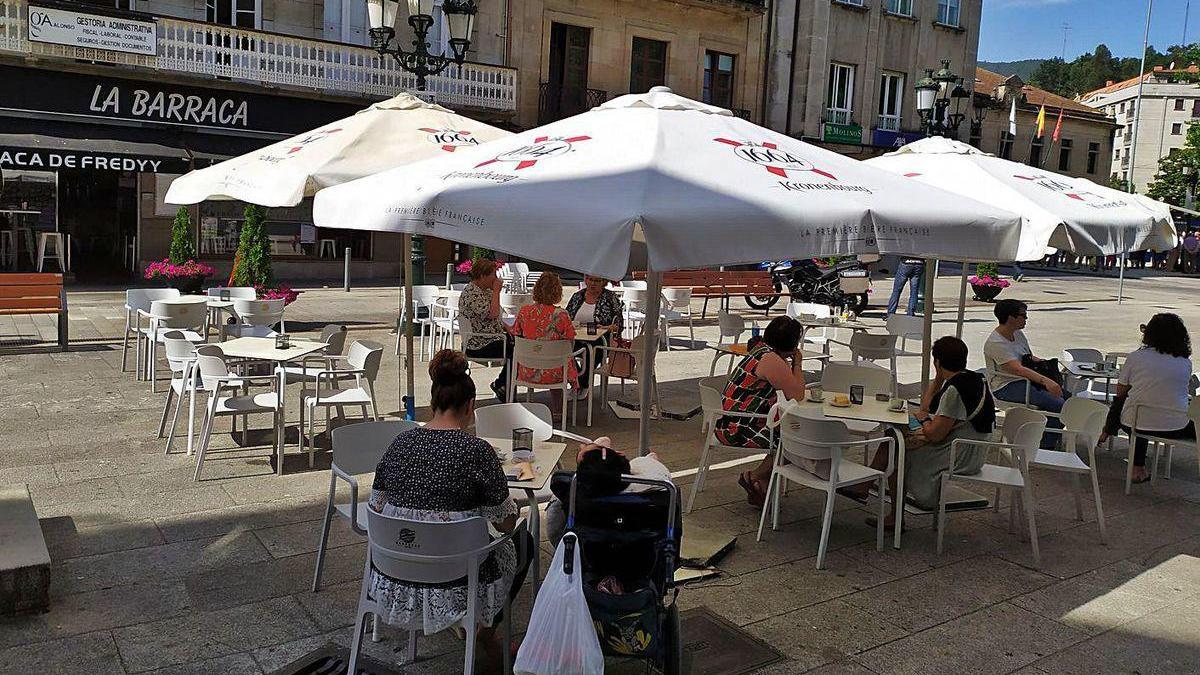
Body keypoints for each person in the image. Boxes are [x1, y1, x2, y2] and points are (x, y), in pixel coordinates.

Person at [368, 350, 532, 670]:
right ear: (471, 406)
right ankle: (484, 633)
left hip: (396, 570)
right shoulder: (477, 451)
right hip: (458, 575)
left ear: (433, 403)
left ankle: (475, 631)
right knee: (524, 540)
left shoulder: (401, 444)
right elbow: (507, 523)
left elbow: (377, 506)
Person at [846, 336, 995, 527]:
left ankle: (884, 507)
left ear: (937, 362)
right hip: (973, 445)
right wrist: (938, 380)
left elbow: (934, 434)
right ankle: (869, 491)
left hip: (960, 452)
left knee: (895, 447)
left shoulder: (955, 390)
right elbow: (927, 407)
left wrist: (924, 418)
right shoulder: (974, 378)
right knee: (894, 437)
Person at [715, 316, 808, 507]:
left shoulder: (759, 350)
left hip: (728, 421)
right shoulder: (771, 360)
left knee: (793, 432)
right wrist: (797, 363)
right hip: (739, 428)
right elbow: (797, 395)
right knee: (798, 438)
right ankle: (755, 477)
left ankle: (760, 485)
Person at [1099, 313, 1195, 484]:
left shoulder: (1136, 357)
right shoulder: (1185, 362)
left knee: (1135, 409)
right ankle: (1137, 467)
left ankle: (1136, 467)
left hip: (1135, 421)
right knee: (1151, 412)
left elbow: (1120, 391)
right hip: (1174, 425)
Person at [544, 437, 673, 547]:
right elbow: (652, 461)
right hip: (641, 551)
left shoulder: (572, 490)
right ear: (621, 454)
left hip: (589, 553)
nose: (581, 445)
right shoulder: (656, 484)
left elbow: (604, 441)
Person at [984, 298, 1064, 447]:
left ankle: (1046, 436)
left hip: (1025, 381)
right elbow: (1017, 369)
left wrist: (1045, 365)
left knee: (1067, 399)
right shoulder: (996, 343)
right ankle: (1044, 446)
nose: (1026, 319)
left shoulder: (1017, 334)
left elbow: (1027, 357)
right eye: (1023, 315)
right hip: (1006, 386)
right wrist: (1046, 381)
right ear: (1011, 318)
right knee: (1058, 404)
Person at [511, 271, 580, 420]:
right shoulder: (561, 315)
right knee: (560, 359)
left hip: (527, 369)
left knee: (553, 358)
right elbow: (570, 339)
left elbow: (516, 332)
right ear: (557, 292)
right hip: (554, 372)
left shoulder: (525, 312)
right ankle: (558, 411)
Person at [458, 258, 512, 402]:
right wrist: (496, 291)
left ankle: (503, 385)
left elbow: (497, 317)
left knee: (518, 343)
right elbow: (492, 313)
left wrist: (508, 328)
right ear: (482, 276)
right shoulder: (472, 293)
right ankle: (502, 385)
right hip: (478, 344)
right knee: (517, 350)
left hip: (491, 338)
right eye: (493, 275)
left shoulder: (484, 290)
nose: (496, 278)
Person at [565, 275, 625, 397]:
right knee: (563, 349)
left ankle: (582, 384)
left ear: (604, 282)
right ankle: (578, 382)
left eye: (597, 281)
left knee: (590, 351)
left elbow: (618, 325)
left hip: (601, 339)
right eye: (590, 280)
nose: (593, 283)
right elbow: (566, 318)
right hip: (576, 337)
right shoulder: (577, 296)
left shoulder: (610, 297)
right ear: (586, 280)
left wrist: (606, 328)